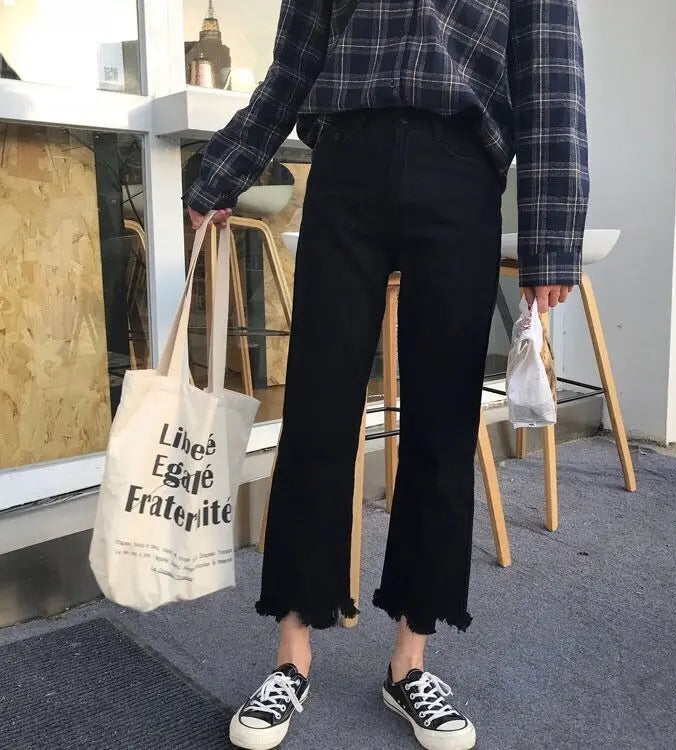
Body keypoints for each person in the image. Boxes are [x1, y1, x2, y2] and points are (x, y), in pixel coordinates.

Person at [184, 1, 588, 748]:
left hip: (461, 167)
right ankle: (292, 656)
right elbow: (296, 62)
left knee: (441, 424)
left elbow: (551, 74)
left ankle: (410, 660)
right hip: (347, 164)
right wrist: (224, 170)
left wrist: (552, 237)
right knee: (316, 412)